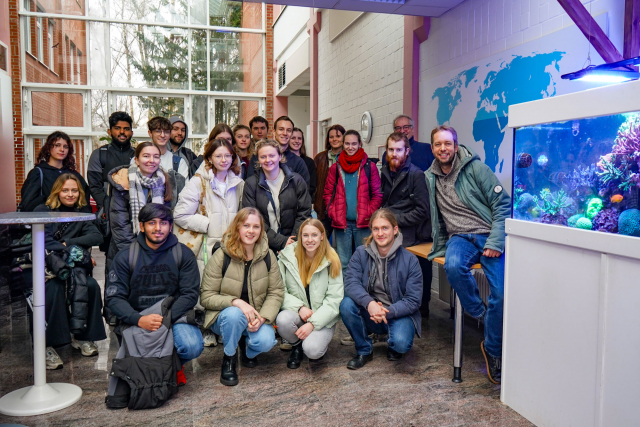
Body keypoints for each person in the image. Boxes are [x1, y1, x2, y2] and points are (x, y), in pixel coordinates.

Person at [425, 125, 511, 384]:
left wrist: (496, 241)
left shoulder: (476, 169)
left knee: (502, 293)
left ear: (456, 145)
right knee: (451, 267)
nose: (443, 149)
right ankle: (482, 317)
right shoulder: (430, 177)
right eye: (438, 144)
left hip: (488, 235)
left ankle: (493, 351)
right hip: (459, 238)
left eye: (448, 144)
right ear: (432, 148)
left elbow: (503, 203)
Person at [106, 203, 203, 384]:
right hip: (138, 317)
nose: (158, 228)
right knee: (138, 362)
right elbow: (114, 297)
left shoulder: (183, 254)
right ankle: (161, 367)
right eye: (152, 223)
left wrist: (164, 319)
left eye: (164, 223)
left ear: (170, 226)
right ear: (141, 226)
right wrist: (138, 319)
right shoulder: (126, 256)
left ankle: (172, 365)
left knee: (192, 346)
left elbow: (189, 294)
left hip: (173, 316)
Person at [200, 207, 284, 386]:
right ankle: (229, 358)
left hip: (255, 317)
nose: (251, 231)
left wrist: (263, 318)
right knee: (234, 314)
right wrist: (235, 302)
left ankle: (247, 349)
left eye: (256, 227)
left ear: (261, 230)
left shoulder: (268, 255)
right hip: (224, 317)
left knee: (267, 341)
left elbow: (276, 291)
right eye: (246, 225)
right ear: (237, 227)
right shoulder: (222, 255)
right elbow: (206, 296)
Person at [33, 174, 106, 369]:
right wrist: (72, 250)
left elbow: (96, 236)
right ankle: (47, 345)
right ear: (57, 191)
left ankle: (84, 337)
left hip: (72, 267)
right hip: (46, 268)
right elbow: (42, 240)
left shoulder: (80, 213)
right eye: (65, 190)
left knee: (91, 286)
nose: (70, 194)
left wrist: (69, 244)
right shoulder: (43, 211)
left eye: (74, 190)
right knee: (55, 289)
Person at [339, 209, 423, 369]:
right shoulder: (360, 253)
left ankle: (392, 343)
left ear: (395, 229)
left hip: (398, 313)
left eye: (385, 228)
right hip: (370, 312)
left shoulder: (410, 260)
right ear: (371, 230)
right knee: (347, 305)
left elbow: (413, 300)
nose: (380, 233)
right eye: (376, 228)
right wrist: (370, 304)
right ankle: (364, 349)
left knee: (401, 345)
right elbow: (350, 282)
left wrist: (386, 311)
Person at [275, 218, 343, 368]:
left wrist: (312, 324)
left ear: (322, 236)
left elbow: (334, 299)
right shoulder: (287, 257)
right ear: (300, 237)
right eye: (305, 235)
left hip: (323, 319)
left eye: (314, 235)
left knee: (312, 350)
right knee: (283, 320)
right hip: (298, 314)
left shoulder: (332, 259)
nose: (310, 240)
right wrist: (299, 307)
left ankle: (311, 342)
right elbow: (279, 290)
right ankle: (297, 346)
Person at [380, 132, 432, 317]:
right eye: (391, 149)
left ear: (407, 151)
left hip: (412, 236)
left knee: (408, 281)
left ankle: (414, 313)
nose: (395, 154)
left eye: (399, 150)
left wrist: (393, 220)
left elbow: (423, 211)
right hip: (389, 234)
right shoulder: (384, 172)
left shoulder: (416, 175)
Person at [174, 138, 244, 272]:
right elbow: (179, 214)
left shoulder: (238, 184)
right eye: (218, 156)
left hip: (233, 249)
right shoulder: (198, 182)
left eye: (227, 155)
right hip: (206, 250)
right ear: (210, 158)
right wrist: (207, 224)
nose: (224, 160)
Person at [106, 142, 175, 270]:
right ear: (137, 160)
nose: (151, 160)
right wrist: (136, 253)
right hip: (126, 250)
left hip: (157, 250)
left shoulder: (163, 182)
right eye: (146, 156)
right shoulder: (123, 182)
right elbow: (119, 224)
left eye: (156, 156)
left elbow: (167, 219)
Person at [323, 130, 382, 274]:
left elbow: (378, 194)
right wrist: (333, 212)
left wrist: (369, 213)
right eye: (347, 143)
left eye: (354, 143)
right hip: (342, 224)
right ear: (343, 144)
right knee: (343, 263)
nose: (350, 147)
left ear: (360, 144)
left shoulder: (369, 167)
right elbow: (327, 193)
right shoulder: (335, 168)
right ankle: (345, 295)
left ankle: (363, 295)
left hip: (363, 223)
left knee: (365, 262)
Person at [243, 139, 312, 253]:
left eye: (272, 155)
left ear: (280, 156)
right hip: (262, 245)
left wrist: (291, 242)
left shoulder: (296, 180)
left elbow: (304, 212)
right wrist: (280, 241)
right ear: (258, 160)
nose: (268, 160)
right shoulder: (251, 184)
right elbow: (250, 218)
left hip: (293, 245)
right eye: (263, 157)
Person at [21, 131, 92, 213]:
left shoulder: (73, 174)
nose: (62, 150)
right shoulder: (38, 173)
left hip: (73, 222)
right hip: (47, 222)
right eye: (57, 145)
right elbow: (28, 204)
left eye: (65, 146)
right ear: (49, 148)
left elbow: (84, 202)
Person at [87, 111, 135, 219]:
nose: (122, 131)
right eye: (117, 128)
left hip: (134, 212)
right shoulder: (99, 154)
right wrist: (107, 206)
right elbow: (94, 187)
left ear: (131, 133)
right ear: (109, 131)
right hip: (108, 214)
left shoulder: (139, 156)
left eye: (126, 129)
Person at [247, 117, 311, 190]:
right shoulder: (258, 157)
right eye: (281, 129)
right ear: (274, 132)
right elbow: (250, 185)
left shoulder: (298, 162)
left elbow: (304, 191)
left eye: (289, 130)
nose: (285, 133)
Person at [314, 124, 345, 236]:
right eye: (331, 137)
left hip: (343, 208)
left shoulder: (349, 157)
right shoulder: (320, 158)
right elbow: (314, 182)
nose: (334, 139)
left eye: (338, 136)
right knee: (321, 239)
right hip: (323, 207)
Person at [288, 127, 317, 199]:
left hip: (303, 201)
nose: (296, 141)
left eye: (299, 138)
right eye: (293, 138)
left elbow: (312, 186)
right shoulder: (281, 160)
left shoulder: (309, 162)